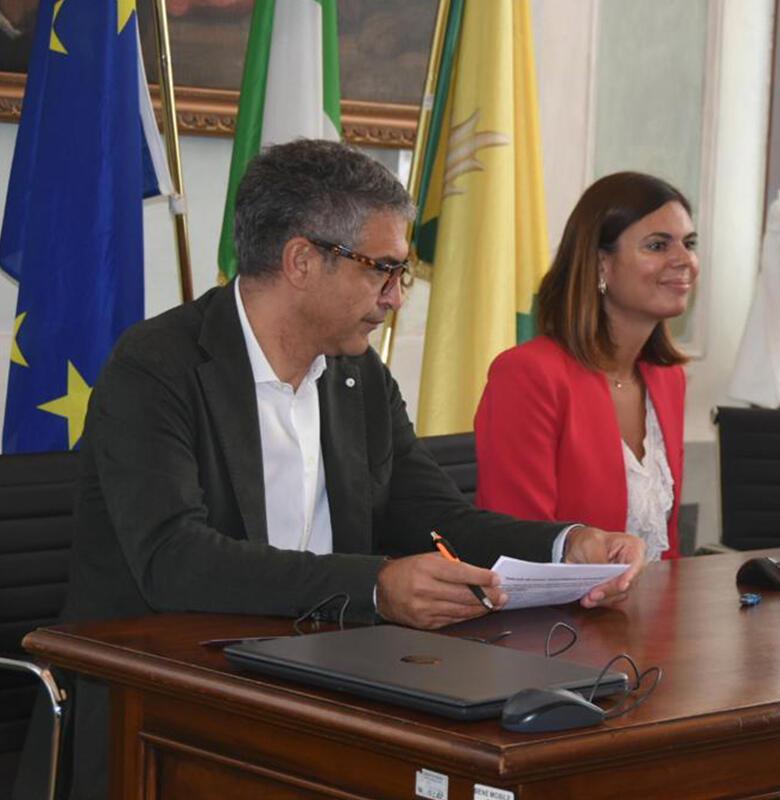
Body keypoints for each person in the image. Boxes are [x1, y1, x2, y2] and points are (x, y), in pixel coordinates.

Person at [16, 140, 645, 800]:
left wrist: (567, 544)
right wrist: (374, 587)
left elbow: (437, 517)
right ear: (302, 261)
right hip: (159, 710)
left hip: (325, 687)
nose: (395, 297)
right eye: (384, 270)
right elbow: (175, 560)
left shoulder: (358, 375)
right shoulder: (156, 367)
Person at [474, 172, 698, 562]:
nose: (685, 261)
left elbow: (667, 553)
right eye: (658, 245)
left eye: (689, 244)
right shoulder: (527, 375)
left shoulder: (668, 379)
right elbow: (520, 551)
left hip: (652, 601)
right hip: (554, 603)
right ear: (600, 264)